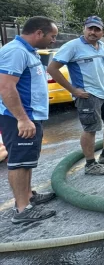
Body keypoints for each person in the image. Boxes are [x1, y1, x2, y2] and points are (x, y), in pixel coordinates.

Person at [47, 16, 104, 176]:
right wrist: (73, 90)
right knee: (91, 129)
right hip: (87, 94)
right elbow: (52, 69)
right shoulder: (72, 46)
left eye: (97, 29)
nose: (93, 32)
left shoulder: (101, 47)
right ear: (84, 29)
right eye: (90, 28)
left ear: (102, 32)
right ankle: (90, 164)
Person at [0, 16, 58, 223]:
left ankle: (28, 196)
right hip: (18, 118)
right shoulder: (15, 52)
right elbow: (6, 86)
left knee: (27, 161)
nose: (53, 41)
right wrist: (22, 119)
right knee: (18, 162)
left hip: (30, 116)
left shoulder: (27, 51)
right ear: (39, 33)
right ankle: (22, 210)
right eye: (52, 36)